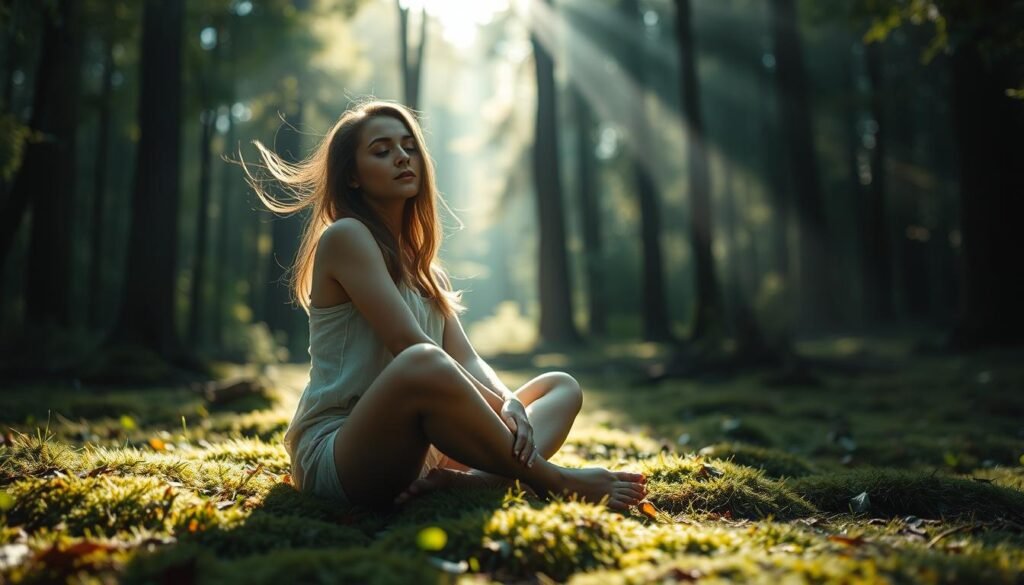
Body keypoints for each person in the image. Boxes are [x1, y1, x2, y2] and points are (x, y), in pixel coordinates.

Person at [243, 99, 646, 510]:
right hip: (340, 454)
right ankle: (554, 480)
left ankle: (476, 483)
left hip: (418, 450)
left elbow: (468, 360)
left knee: (561, 386)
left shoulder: (428, 273)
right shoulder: (346, 236)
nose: (402, 157)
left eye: (409, 147)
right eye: (382, 151)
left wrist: (509, 402)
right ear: (352, 176)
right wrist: (505, 413)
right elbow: (408, 344)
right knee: (423, 360)